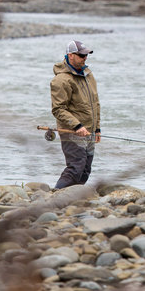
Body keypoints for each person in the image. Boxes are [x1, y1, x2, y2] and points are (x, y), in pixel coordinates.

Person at [50, 40, 101, 189]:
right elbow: (58, 109)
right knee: (75, 168)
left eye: (86, 55)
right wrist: (77, 125)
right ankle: (55, 193)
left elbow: (95, 103)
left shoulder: (88, 75)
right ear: (70, 56)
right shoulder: (60, 80)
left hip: (90, 131)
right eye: (81, 55)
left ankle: (72, 197)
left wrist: (97, 129)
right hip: (72, 131)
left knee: (85, 170)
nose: (85, 58)